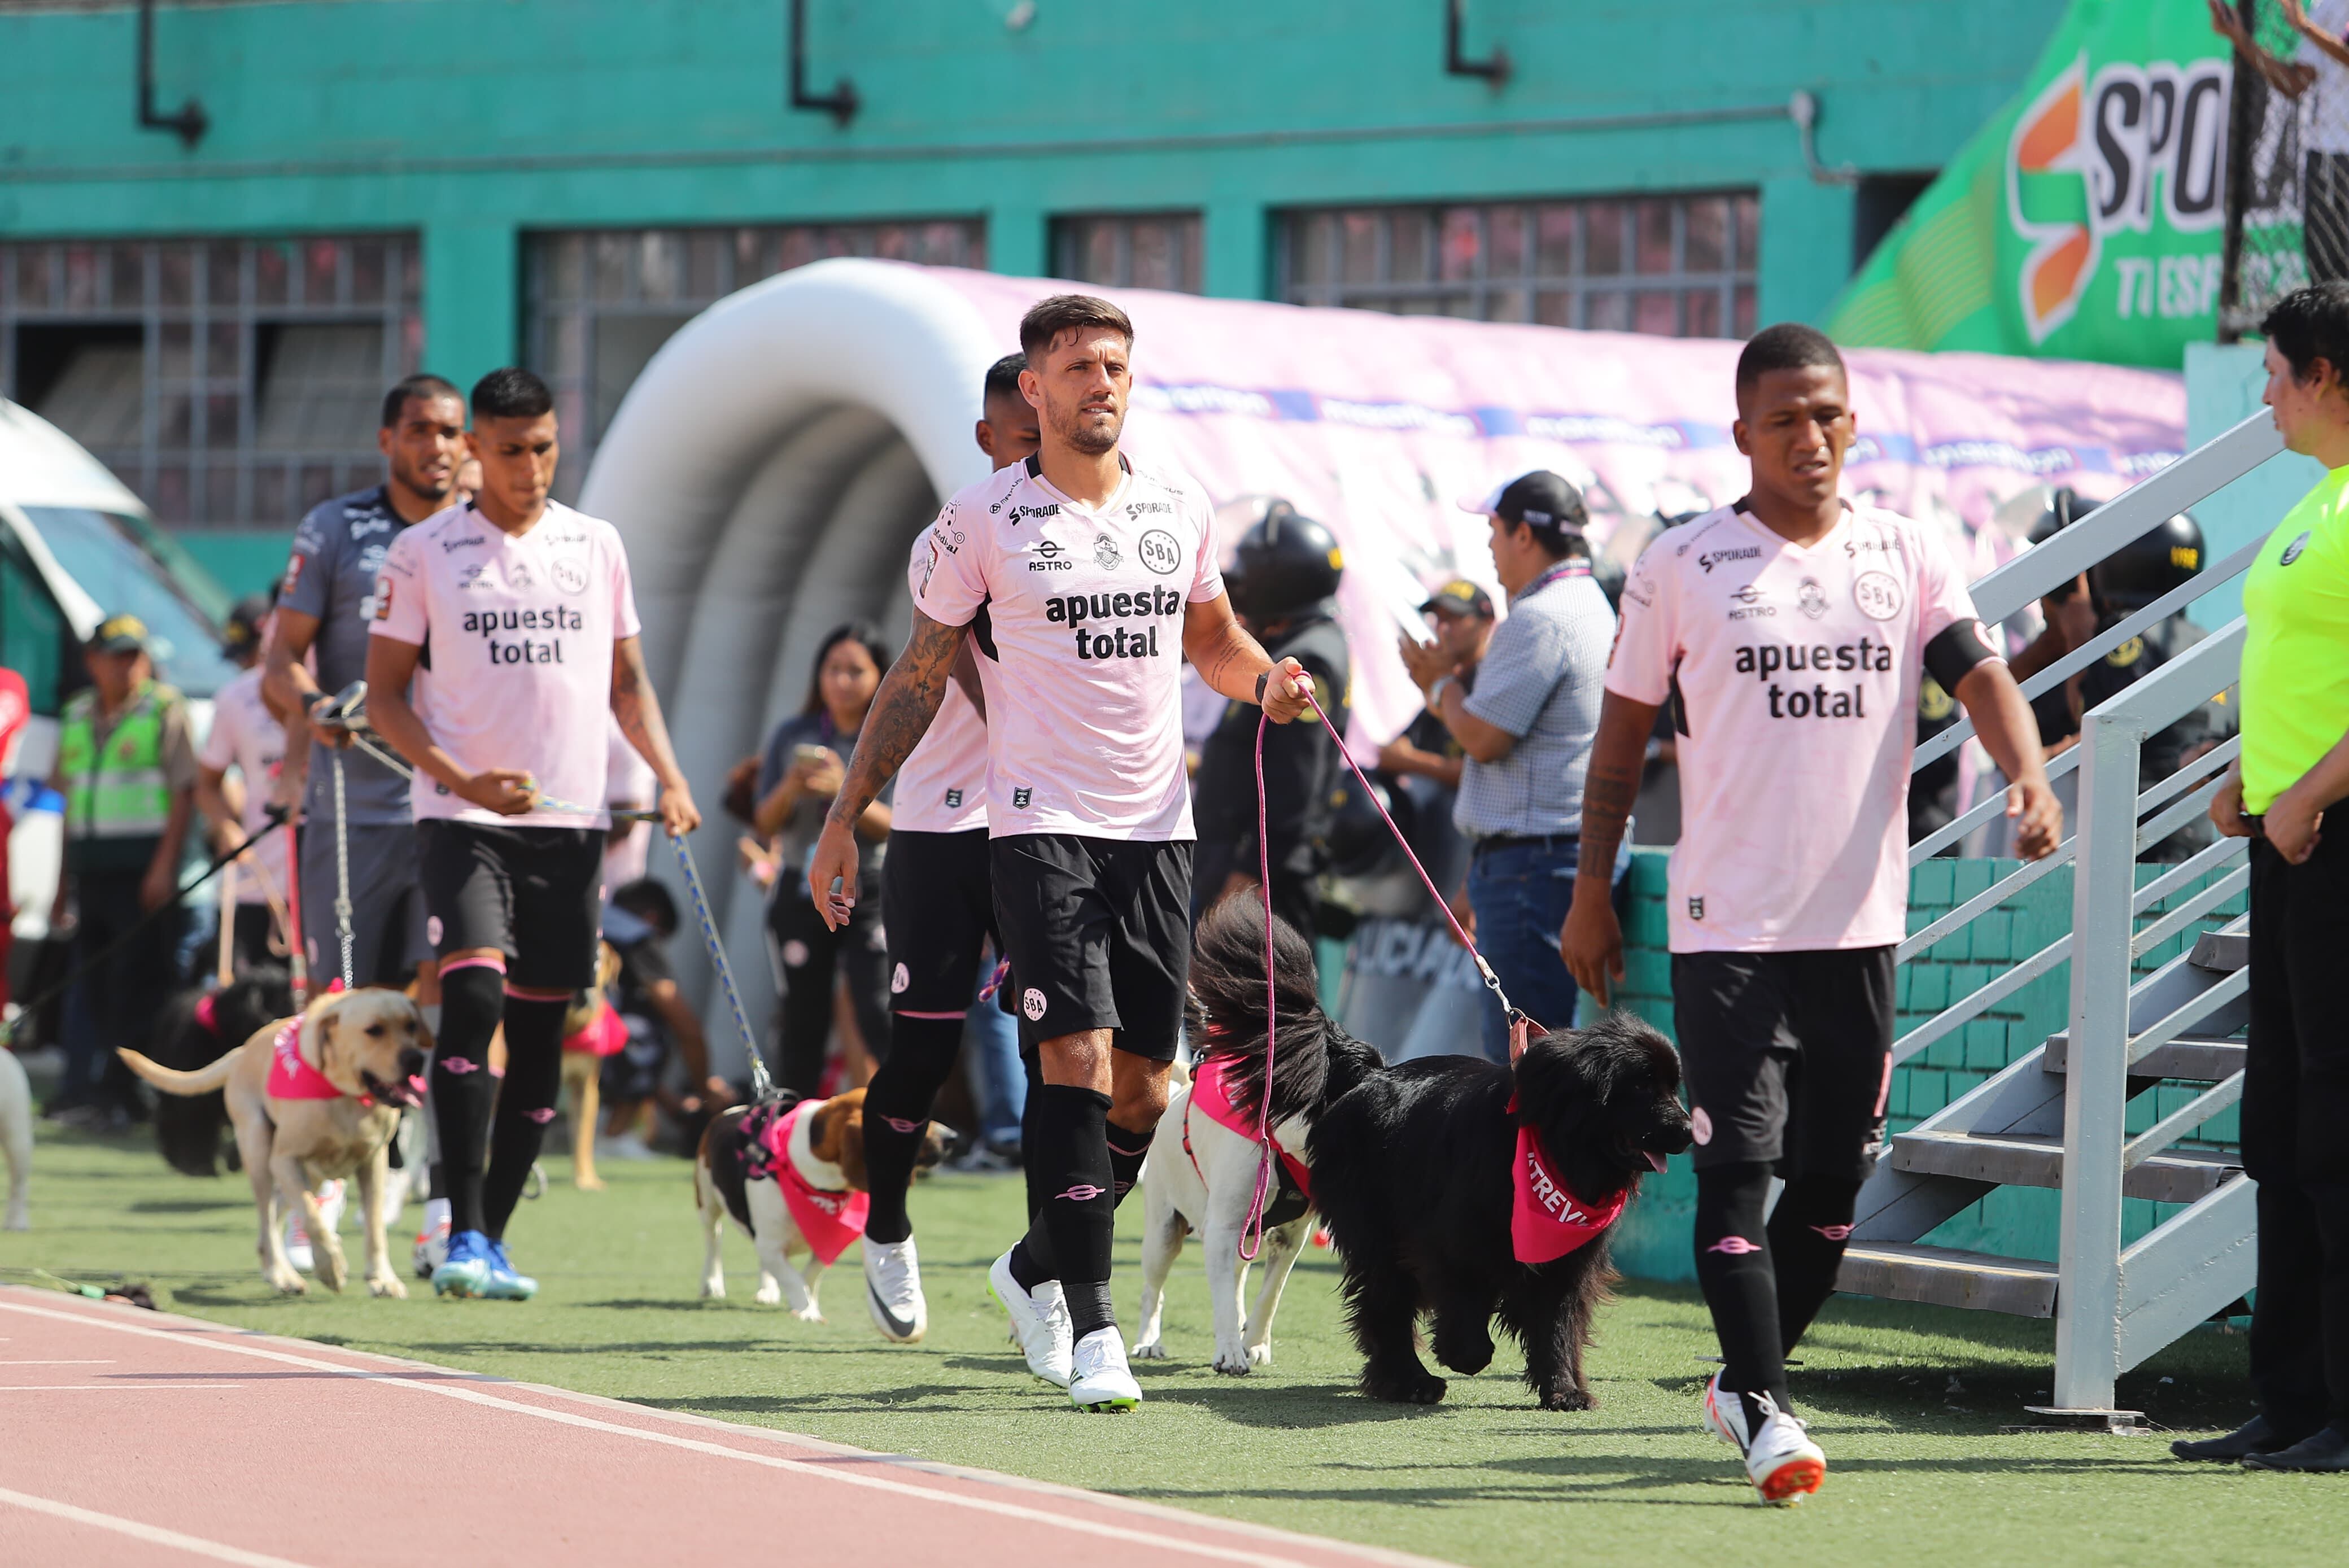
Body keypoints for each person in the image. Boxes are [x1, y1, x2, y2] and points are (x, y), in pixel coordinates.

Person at [1561, 324, 2060, 1505]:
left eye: (1828, 413)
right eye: (1784, 418)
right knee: (1738, 1163)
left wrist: (2029, 775)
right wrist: (1592, 888)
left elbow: (1981, 672)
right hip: (1727, 924)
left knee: (1835, 1180)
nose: (1810, 436)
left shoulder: (1904, 550)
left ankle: (1746, 1380)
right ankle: (1764, 1400)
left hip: (1859, 927)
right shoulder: (1682, 564)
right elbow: (1619, 747)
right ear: (1742, 434)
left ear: (1854, 421)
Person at [806, 293, 1310, 1412]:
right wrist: (845, 813)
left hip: (1156, 834)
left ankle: (1032, 1261)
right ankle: (1092, 1327)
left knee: (1145, 1089)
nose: (1101, 382)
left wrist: (1264, 679)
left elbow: (1213, 639)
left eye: (1115, 365)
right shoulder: (980, 520)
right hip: (1036, 829)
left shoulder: (1178, 504)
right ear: (1032, 390)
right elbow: (921, 673)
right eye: (1078, 365)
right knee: (1070, 1065)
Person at [364, 366, 700, 1301]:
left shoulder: (597, 546)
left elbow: (626, 684)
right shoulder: (425, 553)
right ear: (475, 448)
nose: (531, 467)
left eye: (545, 447)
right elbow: (384, 696)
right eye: (511, 450)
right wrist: (460, 775)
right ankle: (458, 1224)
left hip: (570, 829)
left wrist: (668, 776)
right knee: (472, 1002)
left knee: (545, 1039)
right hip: (462, 817)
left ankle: (493, 1237)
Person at [2186, 281, 2349, 1472]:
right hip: (2285, 843)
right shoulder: (2315, 504)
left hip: (2331, 838)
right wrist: (2252, 776)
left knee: (2339, 1128)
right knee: (2280, 1126)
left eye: (2277, 371)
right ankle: (2289, 1393)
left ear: (2328, 375)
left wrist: (2307, 792)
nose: (2265, 391)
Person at [853, 353, 1037, 1342]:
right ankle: (885, 1221)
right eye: (1021, 435)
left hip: (1048, 824)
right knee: (922, 1048)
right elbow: (968, 676)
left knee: (1068, 1055)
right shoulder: (959, 534)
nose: (1037, 456)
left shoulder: (1095, 526)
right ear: (986, 440)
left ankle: (1047, 1266)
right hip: (943, 826)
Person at [1399, 471, 1613, 1060]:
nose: (1489, 547)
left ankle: (1531, 1160)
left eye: (1494, 530)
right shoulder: (1585, 601)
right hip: (1540, 861)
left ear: (1523, 534)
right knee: (1541, 1055)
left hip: (1533, 870)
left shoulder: (1541, 615)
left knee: (1528, 1064)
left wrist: (1436, 682)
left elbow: (1484, 738)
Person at [266, 374, 464, 997]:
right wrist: (315, 707)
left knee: (456, 986)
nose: (437, 446)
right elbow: (280, 661)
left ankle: (440, 1100)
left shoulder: (482, 536)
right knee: (347, 999)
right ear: (387, 440)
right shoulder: (335, 526)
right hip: (353, 814)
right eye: (419, 430)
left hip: (454, 809)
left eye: (451, 432)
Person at [2010, 493, 2232, 861]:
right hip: (2187, 835)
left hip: (2144, 840)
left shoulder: (2125, 636)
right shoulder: (2194, 638)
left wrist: (2036, 765)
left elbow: (2106, 724)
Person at [45, 614, 200, 1128]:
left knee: (138, 983)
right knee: (92, 983)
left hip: (142, 869)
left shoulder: (164, 708)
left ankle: (127, 1092)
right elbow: (67, 804)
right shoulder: (75, 714)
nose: (128, 666)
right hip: (92, 867)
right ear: (92, 660)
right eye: (117, 655)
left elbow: (184, 794)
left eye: (136, 655)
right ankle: (90, 1088)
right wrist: (60, 884)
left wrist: (164, 868)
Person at [1193, 500, 1352, 938]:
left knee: (1265, 1005)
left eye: (1248, 575)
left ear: (1279, 583)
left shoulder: (1309, 657)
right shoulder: (1291, 643)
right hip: (1238, 867)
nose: (1238, 585)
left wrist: (1248, 875)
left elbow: (1294, 785)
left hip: (1259, 881)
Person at [755, 621, 895, 1096]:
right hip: (802, 884)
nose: (841, 681)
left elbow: (902, 824)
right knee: (802, 1017)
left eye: (856, 670)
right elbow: (764, 823)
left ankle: (902, 1123)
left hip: (871, 886)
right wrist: (791, 786)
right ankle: (791, 1132)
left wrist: (845, 792)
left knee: (879, 1008)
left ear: (882, 675)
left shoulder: (894, 734)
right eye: (832, 669)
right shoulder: (792, 733)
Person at [2212, 0, 2349, 285]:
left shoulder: (2311, 19)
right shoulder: (2326, 8)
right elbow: (2294, 84)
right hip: (2325, 157)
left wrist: (2304, 27)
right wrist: (2240, 38)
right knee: (2326, 286)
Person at [195, 593, 293, 973]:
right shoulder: (235, 697)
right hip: (256, 878)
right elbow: (208, 783)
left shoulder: (329, 687)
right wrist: (227, 828)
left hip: (318, 879)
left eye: (246, 652)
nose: (245, 663)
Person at [596, 877, 726, 1161]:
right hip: (594, 1038)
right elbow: (686, 1025)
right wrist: (705, 1090)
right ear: (653, 920)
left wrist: (672, 1104)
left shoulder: (593, 918)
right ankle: (615, 1134)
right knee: (647, 1026)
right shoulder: (637, 935)